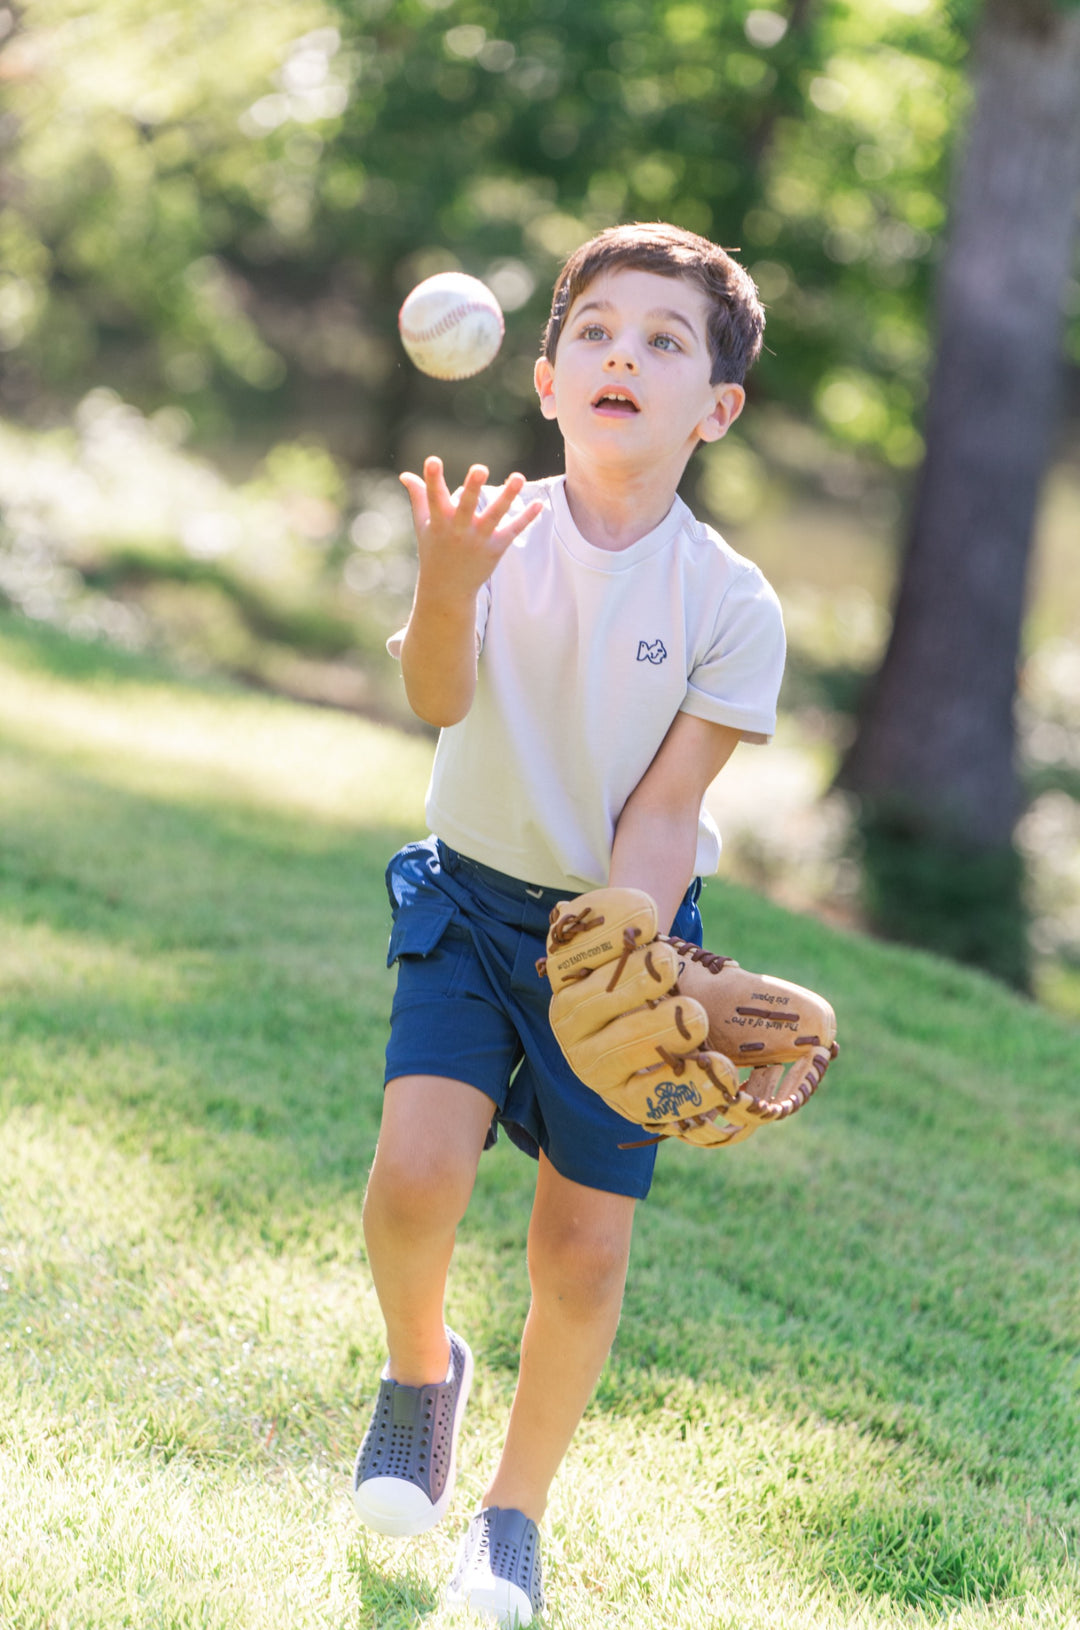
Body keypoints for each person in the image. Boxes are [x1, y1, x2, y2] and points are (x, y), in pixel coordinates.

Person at [351, 222, 786, 1627]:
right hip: (472, 897)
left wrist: (627, 949)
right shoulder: (497, 527)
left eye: (668, 342)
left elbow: (667, 812)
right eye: (598, 332)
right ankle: (424, 1369)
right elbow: (434, 698)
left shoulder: (731, 603)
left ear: (714, 408)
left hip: (622, 932)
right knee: (416, 1178)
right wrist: (448, 581)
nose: (625, 355)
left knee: (584, 1249)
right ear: (546, 378)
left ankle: (512, 1516)